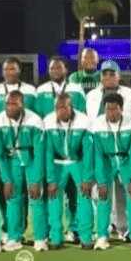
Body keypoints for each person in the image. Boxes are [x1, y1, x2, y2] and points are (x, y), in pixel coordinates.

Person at [85, 60, 131, 241]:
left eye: (112, 74)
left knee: (122, 192)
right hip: (99, 148)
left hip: (124, 147)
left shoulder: (130, 94)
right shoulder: (92, 95)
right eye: (104, 74)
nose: (108, 77)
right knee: (98, 190)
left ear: (119, 76)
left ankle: (122, 228)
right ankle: (104, 226)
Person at [36, 56, 87, 242]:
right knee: (52, 192)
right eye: (52, 68)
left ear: (66, 70)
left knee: (74, 194)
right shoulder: (41, 90)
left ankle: (75, 228)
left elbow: (81, 115)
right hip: (52, 143)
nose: (55, 71)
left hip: (72, 149)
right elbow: (38, 117)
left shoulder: (76, 89)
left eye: (59, 68)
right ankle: (51, 231)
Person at [0, 90, 46, 251]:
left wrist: (36, 180)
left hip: (31, 159)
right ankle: (14, 238)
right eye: (7, 104)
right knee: (12, 198)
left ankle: (40, 239)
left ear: (22, 105)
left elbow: (39, 153)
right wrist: (6, 179)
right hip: (11, 161)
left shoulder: (35, 120)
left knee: (36, 197)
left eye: (14, 104)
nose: (9, 107)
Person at [90, 94, 131, 249]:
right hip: (106, 161)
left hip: (126, 160)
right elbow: (98, 154)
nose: (111, 112)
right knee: (103, 196)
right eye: (108, 109)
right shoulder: (97, 124)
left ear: (122, 109)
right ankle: (102, 236)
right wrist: (101, 181)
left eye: (115, 109)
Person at [43, 93, 94, 249]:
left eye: (65, 107)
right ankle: (56, 238)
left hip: (78, 162)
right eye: (58, 108)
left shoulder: (84, 121)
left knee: (85, 195)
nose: (61, 111)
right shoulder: (48, 121)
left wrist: (86, 177)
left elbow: (88, 151)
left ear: (72, 107)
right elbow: (48, 152)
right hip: (58, 163)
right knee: (54, 197)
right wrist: (51, 179)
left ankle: (86, 237)